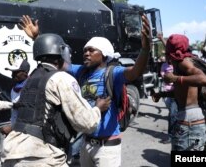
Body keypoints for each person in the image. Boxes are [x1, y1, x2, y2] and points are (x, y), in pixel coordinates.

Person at [19, 14, 150, 167]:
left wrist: (146, 49)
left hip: (107, 147)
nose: (86, 53)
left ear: (103, 54)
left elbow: (136, 71)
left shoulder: (113, 72)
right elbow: (55, 61)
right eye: (85, 50)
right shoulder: (81, 71)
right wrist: (38, 38)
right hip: (85, 144)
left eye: (91, 50)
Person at [1, 33, 111, 167]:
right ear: (62, 53)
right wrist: (98, 109)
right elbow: (86, 123)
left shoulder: (32, 79)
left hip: (13, 152)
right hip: (40, 156)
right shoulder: (61, 78)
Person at [162, 34, 206, 151]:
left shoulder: (183, 62)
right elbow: (184, 93)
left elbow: (204, 79)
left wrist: (175, 79)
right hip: (189, 119)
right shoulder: (180, 63)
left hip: (190, 121)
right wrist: (162, 94)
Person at [1, 59, 30, 134]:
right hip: (17, 131)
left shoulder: (31, 88)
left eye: (15, 72)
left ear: (25, 73)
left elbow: (28, 115)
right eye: (12, 72)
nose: (12, 75)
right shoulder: (13, 90)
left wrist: (12, 127)